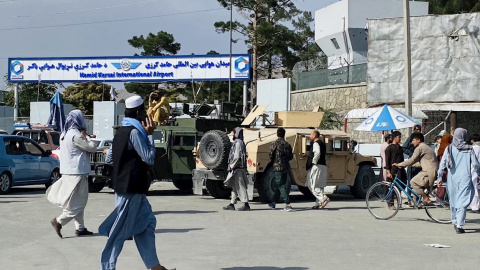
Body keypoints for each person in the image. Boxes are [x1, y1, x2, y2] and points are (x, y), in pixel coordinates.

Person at [99, 96, 174, 270]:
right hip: (131, 189)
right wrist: (149, 136)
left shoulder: (121, 132)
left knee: (147, 224)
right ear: (139, 113)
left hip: (131, 188)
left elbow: (110, 158)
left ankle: (154, 266)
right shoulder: (134, 132)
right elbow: (149, 157)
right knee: (119, 233)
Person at [47, 110, 97, 238]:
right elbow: (92, 148)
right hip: (78, 173)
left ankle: (80, 228)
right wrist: (88, 136)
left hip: (68, 172)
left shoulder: (64, 134)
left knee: (75, 201)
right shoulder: (76, 136)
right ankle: (59, 221)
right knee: (79, 202)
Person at [437, 128, 480, 233]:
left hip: (452, 178)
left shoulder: (449, 148)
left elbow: (442, 164)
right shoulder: (469, 149)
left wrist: (439, 177)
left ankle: (455, 220)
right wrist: (479, 174)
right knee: (463, 200)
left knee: (454, 200)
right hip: (465, 177)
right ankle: (459, 225)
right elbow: (475, 164)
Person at [394, 133, 437, 204]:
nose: (412, 142)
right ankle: (416, 201)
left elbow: (412, 159)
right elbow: (421, 163)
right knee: (417, 184)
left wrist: (400, 164)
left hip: (428, 171)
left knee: (412, 182)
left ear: (418, 140)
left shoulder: (420, 148)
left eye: (413, 140)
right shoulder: (426, 147)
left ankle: (425, 198)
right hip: (431, 170)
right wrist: (409, 165)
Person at [223, 127, 250, 211]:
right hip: (237, 168)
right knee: (234, 187)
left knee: (241, 186)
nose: (233, 134)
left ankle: (246, 204)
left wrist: (232, 166)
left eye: (234, 133)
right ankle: (232, 204)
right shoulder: (239, 142)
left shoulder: (238, 143)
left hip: (237, 168)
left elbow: (237, 156)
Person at [268, 127, 294, 211]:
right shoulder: (287, 144)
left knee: (280, 184)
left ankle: (288, 204)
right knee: (279, 184)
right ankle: (273, 202)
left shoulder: (275, 144)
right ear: (284, 134)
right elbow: (291, 156)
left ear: (277, 134)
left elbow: (270, 154)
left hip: (277, 167)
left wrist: (274, 161)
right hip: (286, 167)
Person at [306, 130, 330, 209]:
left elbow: (317, 153)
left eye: (311, 134)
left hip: (317, 166)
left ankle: (324, 199)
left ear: (314, 135)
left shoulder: (316, 144)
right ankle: (319, 203)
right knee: (319, 186)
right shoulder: (322, 144)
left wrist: (314, 162)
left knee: (312, 185)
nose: (310, 136)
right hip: (323, 166)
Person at [384, 131, 406, 209]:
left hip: (400, 170)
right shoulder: (389, 148)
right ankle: (390, 204)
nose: (400, 139)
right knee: (391, 187)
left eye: (400, 137)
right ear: (394, 138)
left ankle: (399, 204)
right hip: (392, 170)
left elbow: (402, 159)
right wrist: (388, 172)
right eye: (399, 137)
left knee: (399, 187)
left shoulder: (400, 148)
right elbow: (387, 161)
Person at [469, 133, 480, 213]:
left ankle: (474, 206)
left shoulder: (472, 148)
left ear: (472, 140)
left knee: (474, 187)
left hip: (473, 169)